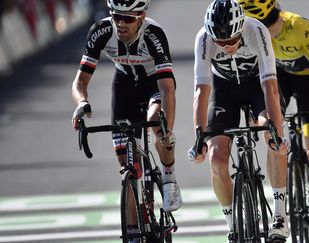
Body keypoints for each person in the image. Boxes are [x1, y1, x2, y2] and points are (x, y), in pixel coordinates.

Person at [238, 0, 309, 242]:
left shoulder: (300, 27)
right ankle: (280, 213)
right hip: (280, 79)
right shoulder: (255, 34)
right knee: (274, 133)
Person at [187, 0, 289, 242]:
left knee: (271, 135)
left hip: (257, 86)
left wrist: (277, 130)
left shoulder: (256, 31)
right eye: (221, 43)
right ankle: (232, 225)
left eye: (232, 40)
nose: (227, 46)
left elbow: (270, 86)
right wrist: (199, 138)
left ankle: (279, 216)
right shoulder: (203, 38)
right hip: (224, 91)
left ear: (241, 27)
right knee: (216, 157)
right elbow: (201, 92)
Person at [71, 0, 182, 221]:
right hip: (123, 87)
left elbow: (167, 89)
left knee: (155, 121)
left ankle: (169, 177)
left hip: (154, 85)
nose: (120, 23)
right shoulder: (101, 31)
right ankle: (133, 232)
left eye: (128, 18)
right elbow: (80, 81)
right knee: (128, 169)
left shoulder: (154, 34)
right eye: (116, 17)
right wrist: (81, 103)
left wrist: (166, 128)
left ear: (141, 16)